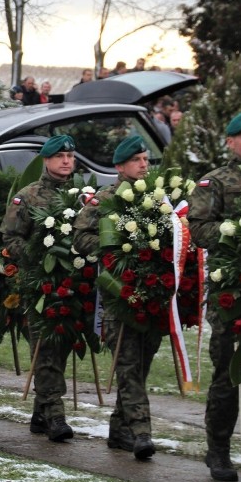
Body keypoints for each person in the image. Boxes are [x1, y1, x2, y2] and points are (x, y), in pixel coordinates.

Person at [73, 136, 157, 461]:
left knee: (142, 364)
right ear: (120, 166)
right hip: (116, 294)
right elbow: (80, 237)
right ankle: (142, 432)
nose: (144, 164)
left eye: (146, 159)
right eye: (137, 160)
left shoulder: (155, 198)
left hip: (150, 293)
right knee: (127, 365)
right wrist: (114, 247)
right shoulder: (104, 199)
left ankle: (119, 429)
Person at [0, 135, 77, 442]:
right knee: (44, 349)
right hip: (39, 285)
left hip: (71, 285)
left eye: (70, 155)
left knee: (61, 350)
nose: (66, 161)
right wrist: (36, 253)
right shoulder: (28, 195)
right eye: (60, 156)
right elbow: (10, 238)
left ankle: (40, 412)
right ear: (46, 160)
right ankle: (56, 416)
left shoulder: (80, 194)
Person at [189, 113, 241, 482]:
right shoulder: (217, 181)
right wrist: (234, 232)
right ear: (230, 141)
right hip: (232, 288)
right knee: (227, 371)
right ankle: (218, 450)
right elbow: (199, 228)